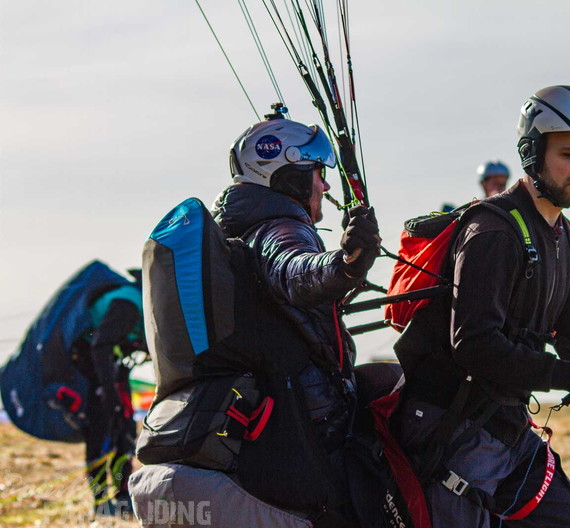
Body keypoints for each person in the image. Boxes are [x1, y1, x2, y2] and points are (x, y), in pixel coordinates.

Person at [394, 85, 570, 527]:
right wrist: (564, 376)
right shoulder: (493, 233)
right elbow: (473, 345)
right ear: (533, 153)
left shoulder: (564, 241)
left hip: (505, 428)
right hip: (447, 427)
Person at [130, 110, 381, 527]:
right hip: (310, 433)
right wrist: (345, 266)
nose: (325, 183)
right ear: (289, 175)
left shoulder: (240, 231)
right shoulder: (279, 228)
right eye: (316, 172)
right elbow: (295, 269)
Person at [70, 278, 146, 516]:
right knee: (102, 435)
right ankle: (102, 502)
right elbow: (101, 345)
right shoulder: (129, 303)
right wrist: (109, 393)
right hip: (94, 375)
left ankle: (123, 499)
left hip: (110, 374)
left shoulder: (138, 303)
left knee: (123, 433)